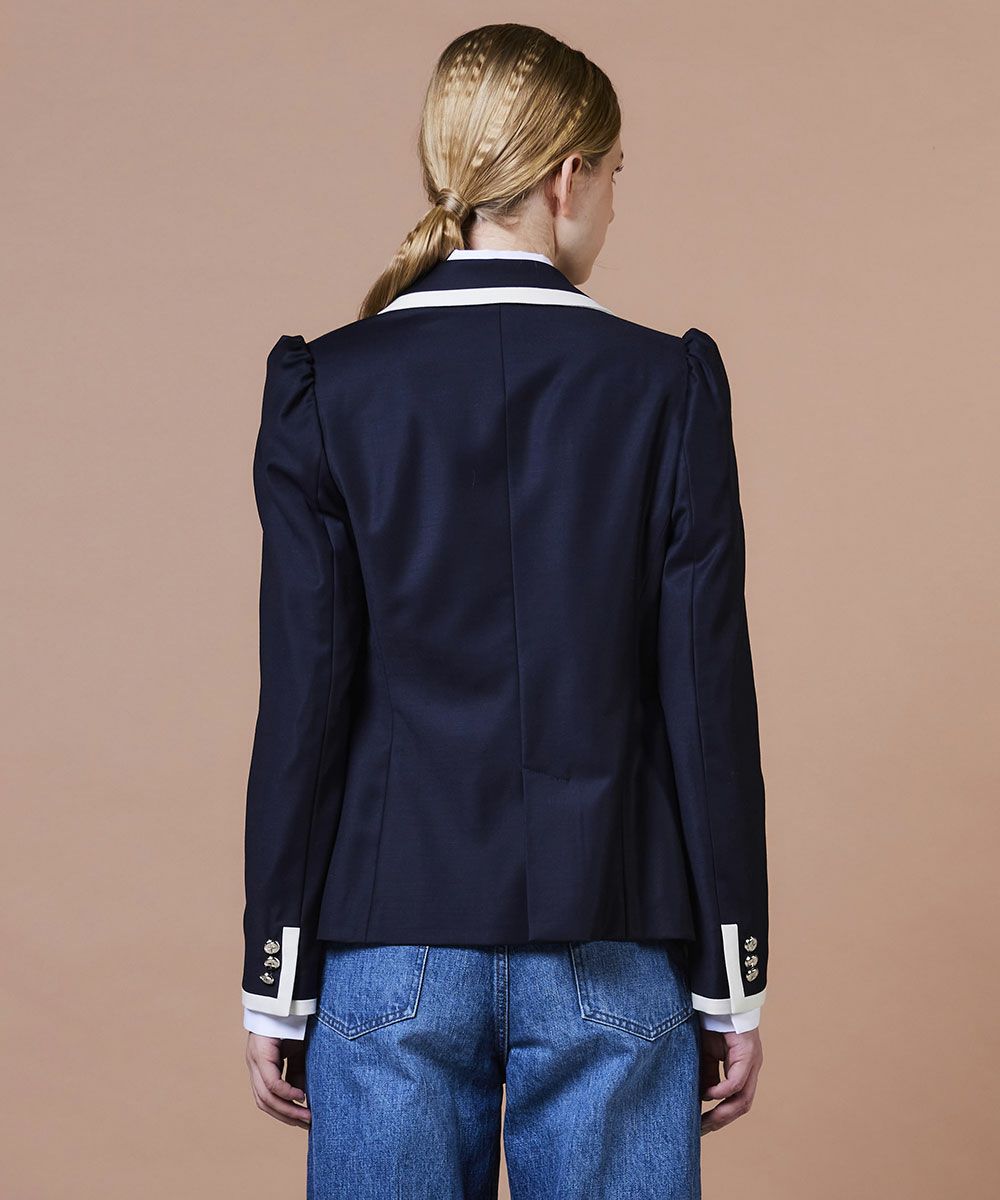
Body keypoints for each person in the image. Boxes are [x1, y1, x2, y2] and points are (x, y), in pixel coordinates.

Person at [240, 22, 768, 1199]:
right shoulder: (666, 387)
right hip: (615, 937)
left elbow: (305, 705)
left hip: (386, 948)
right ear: (567, 176)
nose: (616, 202)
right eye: (617, 172)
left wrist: (276, 972)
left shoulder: (329, 386)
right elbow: (706, 704)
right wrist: (733, 977)